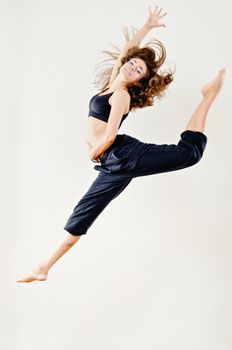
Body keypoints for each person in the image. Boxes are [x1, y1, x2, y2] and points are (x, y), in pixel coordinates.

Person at [17, 5, 225, 283]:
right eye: (133, 63)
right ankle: (43, 268)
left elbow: (111, 135)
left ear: (138, 80)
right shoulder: (113, 82)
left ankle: (208, 95)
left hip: (122, 154)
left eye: (138, 69)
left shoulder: (122, 96)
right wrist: (148, 27)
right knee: (82, 215)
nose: (132, 66)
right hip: (112, 162)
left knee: (189, 154)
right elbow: (128, 50)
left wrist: (94, 151)